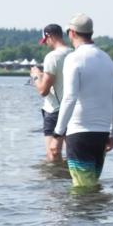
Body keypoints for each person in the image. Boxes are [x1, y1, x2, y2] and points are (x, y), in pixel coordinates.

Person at [50, 13, 113, 188]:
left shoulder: (73, 59)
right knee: (92, 185)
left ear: (72, 33)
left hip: (79, 132)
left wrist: (57, 134)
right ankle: (96, 214)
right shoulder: (107, 60)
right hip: (102, 133)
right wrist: (112, 133)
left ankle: (81, 215)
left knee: (82, 188)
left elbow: (69, 98)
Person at [29, 24, 71, 161]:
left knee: (52, 155)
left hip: (54, 110)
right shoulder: (74, 53)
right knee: (71, 155)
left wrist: (36, 75)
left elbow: (43, 90)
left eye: (45, 40)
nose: (46, 44)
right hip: (74, 109)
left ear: (49, 36)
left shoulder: (52, 57)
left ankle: (54, 181)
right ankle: (65, 179)